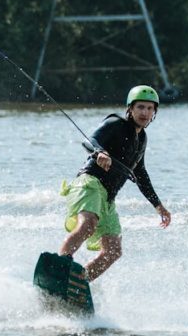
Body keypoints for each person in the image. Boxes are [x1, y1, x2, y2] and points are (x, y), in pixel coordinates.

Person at [57, 85, 172, 282]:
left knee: (113, 251)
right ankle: (60, 268)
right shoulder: (115, 123)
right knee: (88, 225)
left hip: (108, 198)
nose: (145, 112)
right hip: (90, 183)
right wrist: (99, 152)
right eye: (140, 107)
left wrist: (158, 205)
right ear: (130, 109)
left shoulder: (142, 139)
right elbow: (90, 140)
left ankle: (78, 281)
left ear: (154, 112)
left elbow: (141, 174)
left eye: (150, 108)